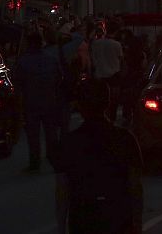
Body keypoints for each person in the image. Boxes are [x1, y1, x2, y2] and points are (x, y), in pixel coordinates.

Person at [52, 79, 143, 234]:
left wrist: (61, 227)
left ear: (80, 106)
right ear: (107, 103)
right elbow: (135, 187)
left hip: (83, 219)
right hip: (118, 217)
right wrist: (137, 224)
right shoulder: (125, 139)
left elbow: (62, 190)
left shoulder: (70, 143)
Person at [16, 30, 64, 172]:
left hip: (31, 102)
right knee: (51, 134)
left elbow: (18, 84)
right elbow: (59, 79)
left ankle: (35, 162)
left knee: (33, 135)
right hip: (49, 101)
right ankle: (53, 159)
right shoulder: (51, 59)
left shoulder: (23, 61)